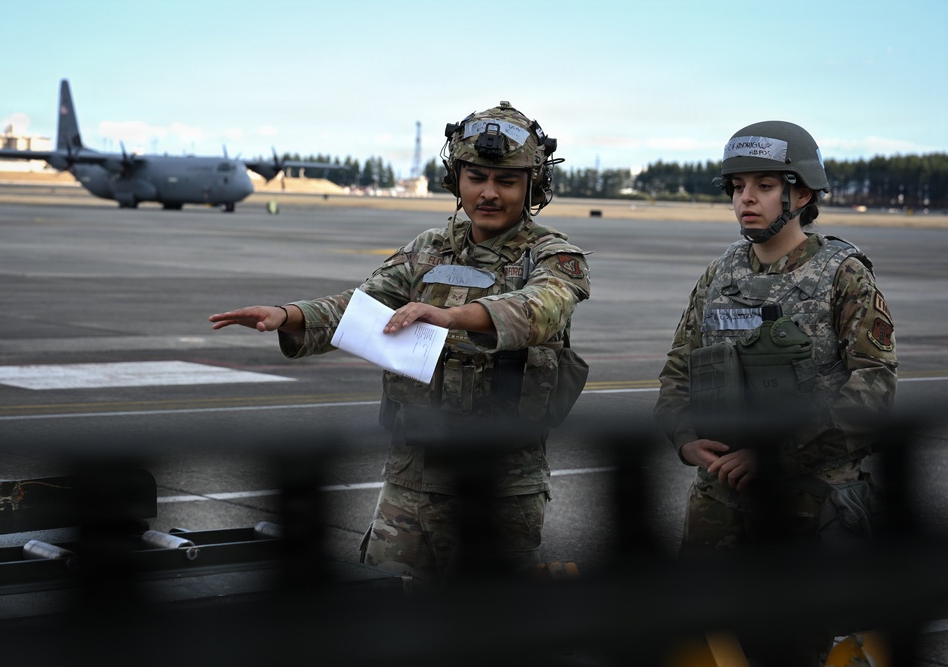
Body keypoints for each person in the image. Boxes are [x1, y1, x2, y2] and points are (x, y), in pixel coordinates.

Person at [209, 101, 590, 586]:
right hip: (412, 478)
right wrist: (290, 315)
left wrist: (451, 315)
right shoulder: (427, 249)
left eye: (507, 181)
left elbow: (543, 307)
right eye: (476, 178)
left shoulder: (554, 256)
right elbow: (362, 306)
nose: (489, 193)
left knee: (487, 627)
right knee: (386, 613)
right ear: (456, 180)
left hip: (502, 484)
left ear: (533, 185)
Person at [653, 121, 898, 664]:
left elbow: (874, 386)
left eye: (764, 185)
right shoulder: (720, 274)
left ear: (801, 193)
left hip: (808, 502)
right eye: (738, 186)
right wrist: (686, 438)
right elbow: (677, 371)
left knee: (791, 646)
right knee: (705, 641)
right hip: (720, 499)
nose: (746, 198)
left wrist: (775, 453)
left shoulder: (843, 275)